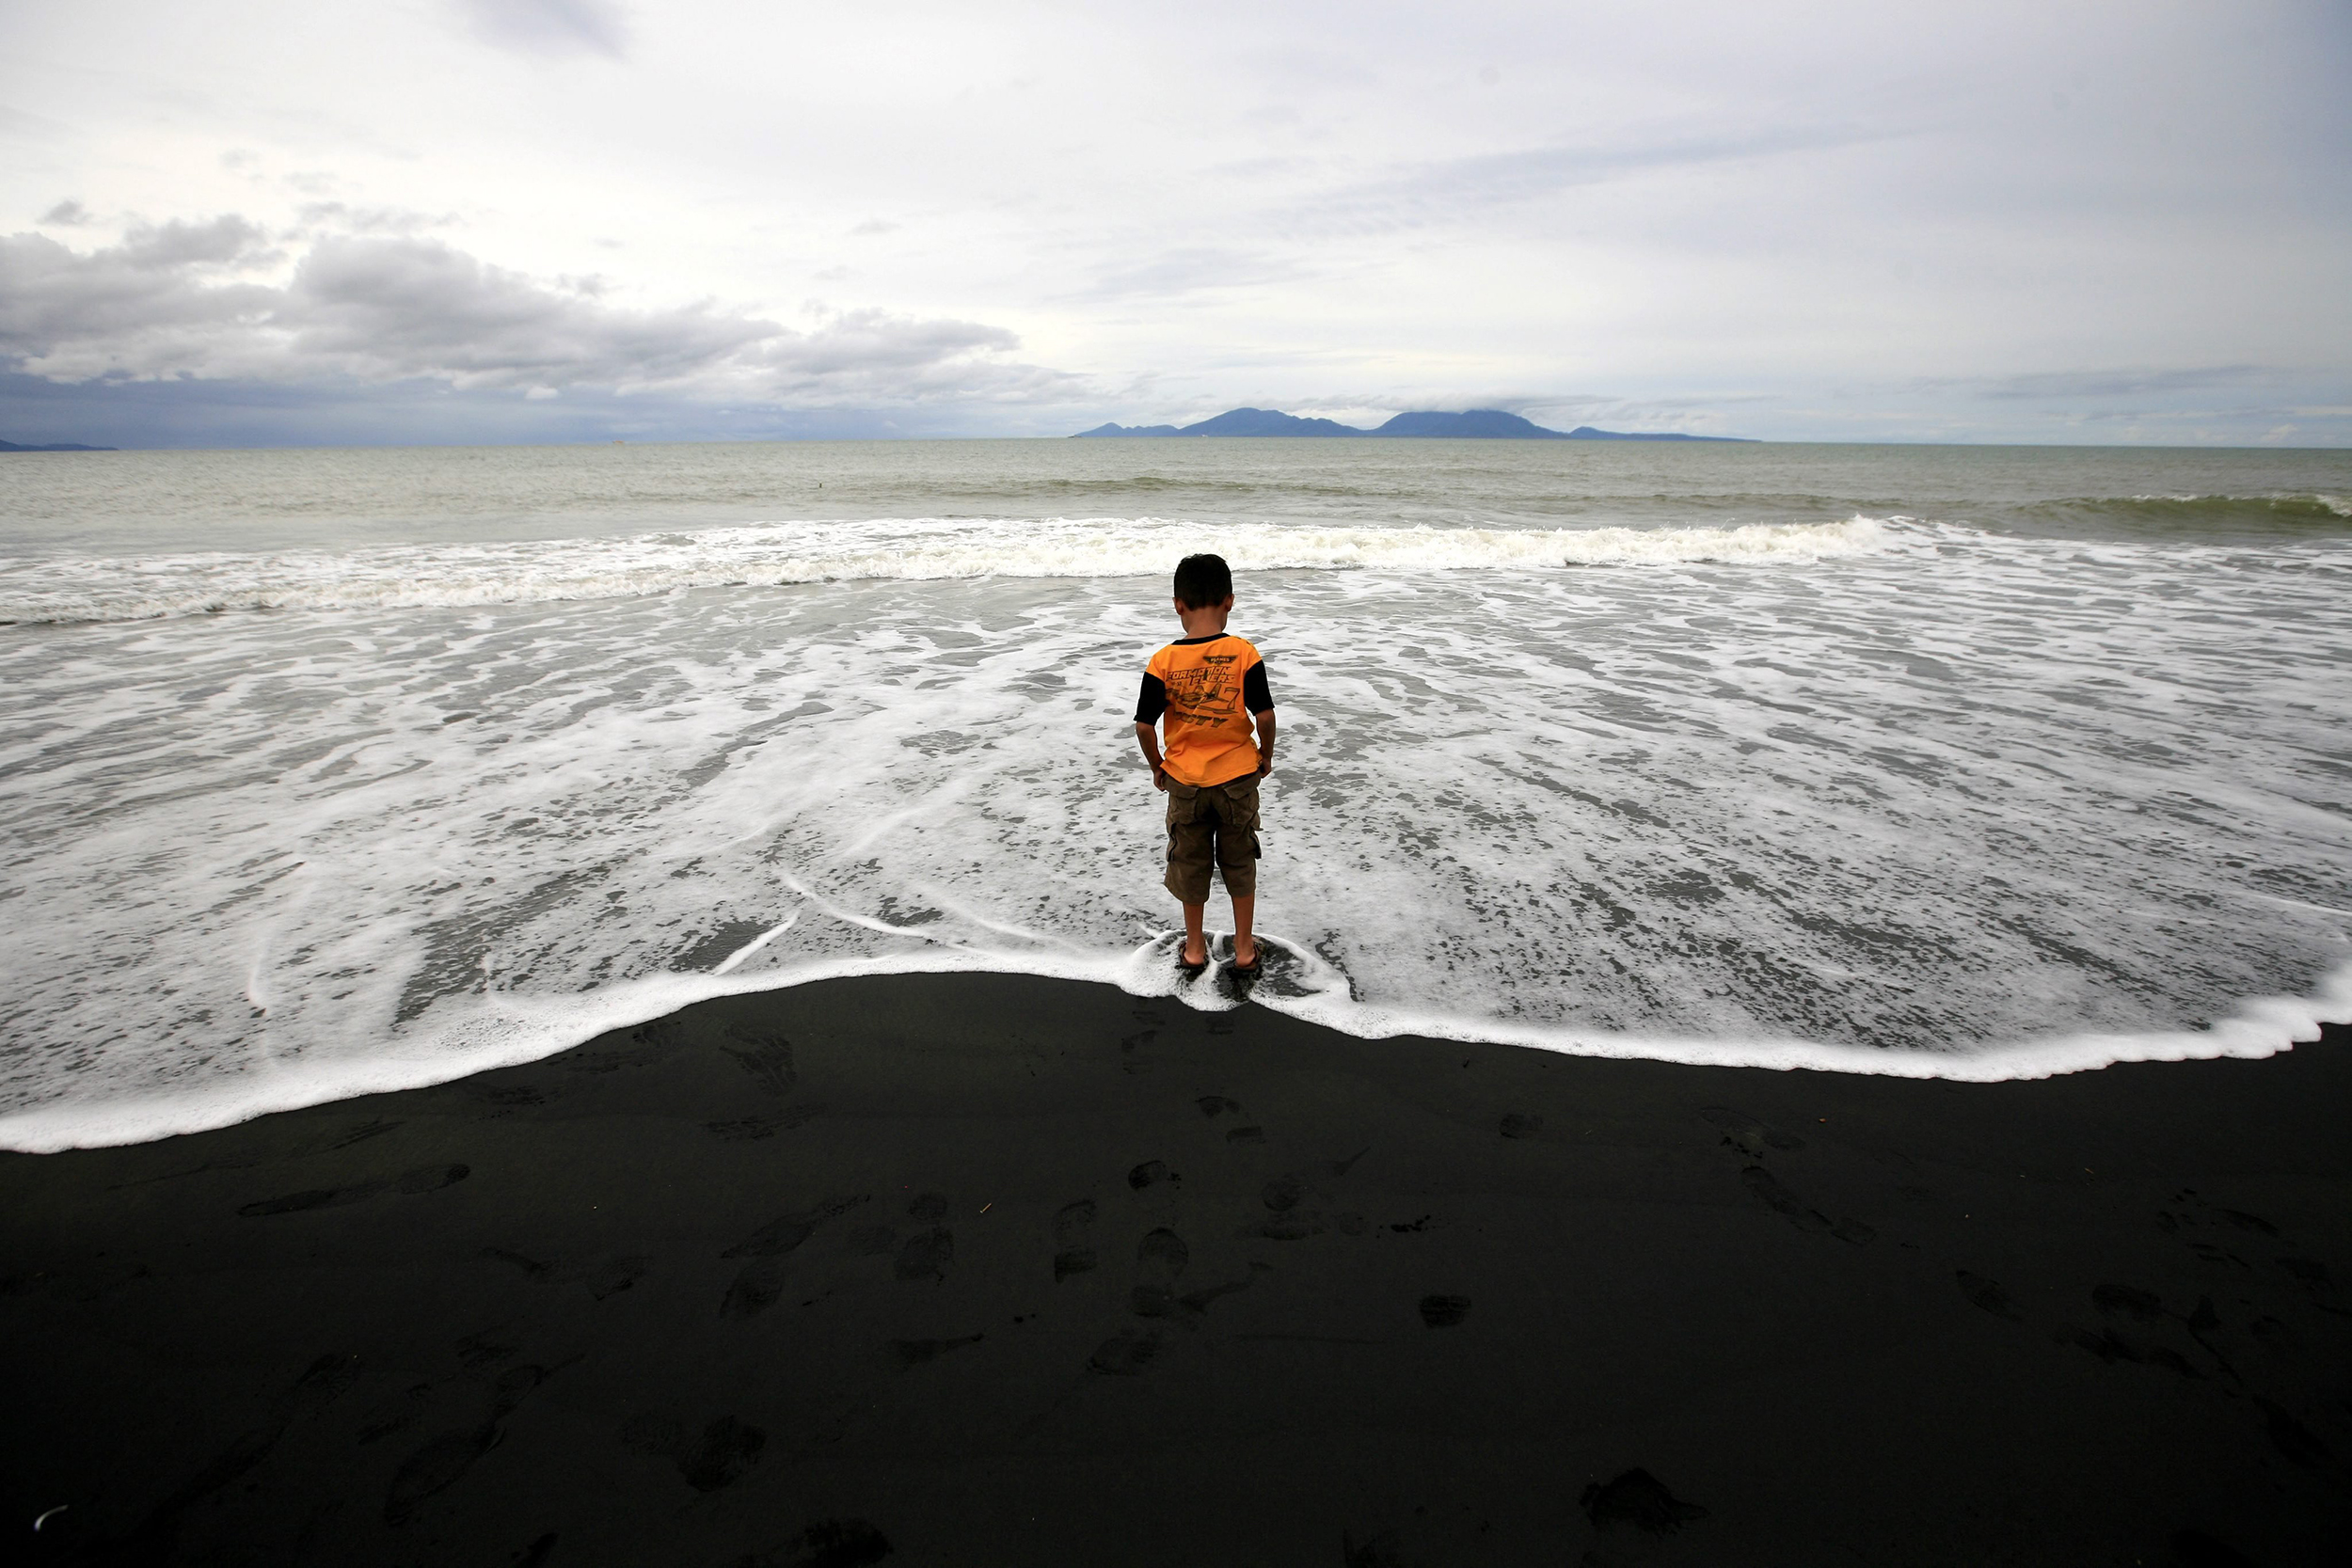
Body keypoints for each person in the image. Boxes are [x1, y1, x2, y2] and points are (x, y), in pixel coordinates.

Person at [1133, 553, 1278, 976]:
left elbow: (1144, 726)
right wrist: (1265, 755)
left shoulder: (1163, 661)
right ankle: (1246, 949)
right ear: (1229, 601)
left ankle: (1194, 949)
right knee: (1239, 862)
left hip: (1185, 784)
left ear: (1178, 604)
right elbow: (1265, 716)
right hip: (1236, 780)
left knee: (1190, 863)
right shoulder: (1243, 653)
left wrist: (1157, 765)